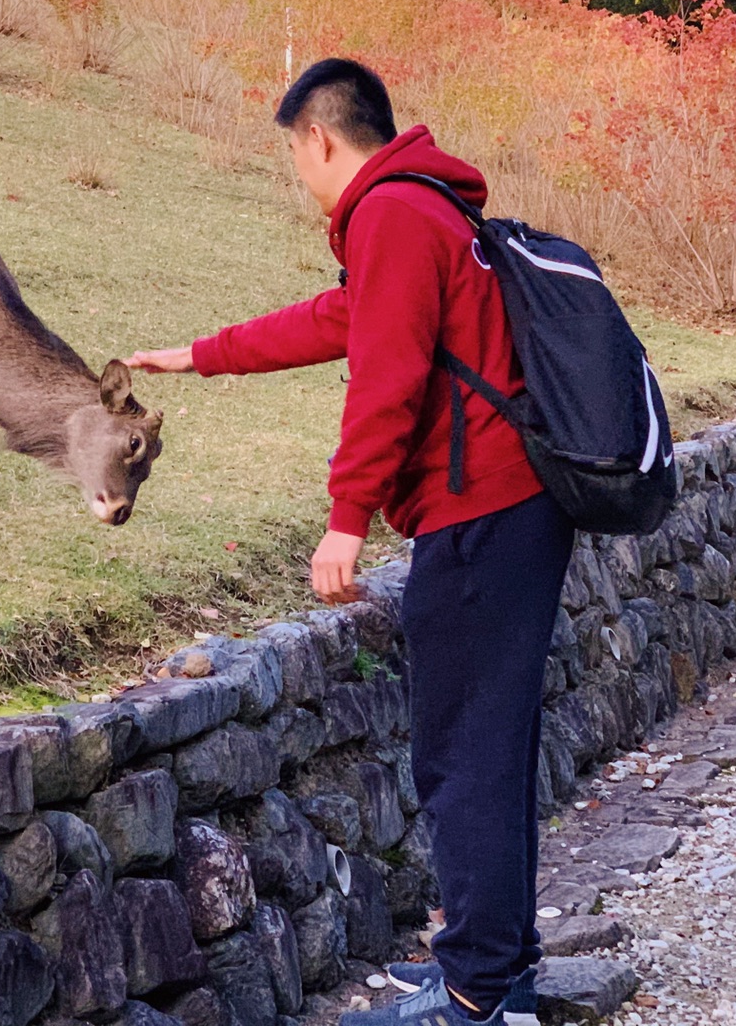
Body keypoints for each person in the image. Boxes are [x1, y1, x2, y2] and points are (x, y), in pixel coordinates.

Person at [128, 58, 568, 1026]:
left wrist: (345, 519)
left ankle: (479, 993)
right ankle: (496, 968)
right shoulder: (424, 209)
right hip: (505, 508)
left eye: (295, 153)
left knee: (467, 756)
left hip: (482, 511)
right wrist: (200, 355)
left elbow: (389, 375)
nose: (300, 172)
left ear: (318, 138)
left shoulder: (394, 213)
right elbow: (343, 318)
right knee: (484, 746)